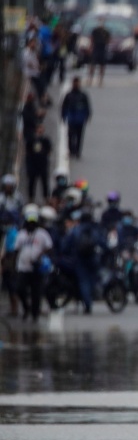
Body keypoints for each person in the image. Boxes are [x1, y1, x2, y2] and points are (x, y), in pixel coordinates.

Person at [13, 207, 53, 321]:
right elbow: (16, 250)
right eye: (29, 223)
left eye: (33, 223)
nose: (31, 225)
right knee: (19, 289)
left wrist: (40, 256)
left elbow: (49, 247)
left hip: (37, 268)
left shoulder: (42, 234)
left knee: (36, 293)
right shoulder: (21, 234)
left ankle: (35, 314)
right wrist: (13, 266)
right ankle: (26, 307)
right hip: (23, 267)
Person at [61, 209, 103, 314]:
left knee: (84, 282)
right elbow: (103, 243)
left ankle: (87, 304)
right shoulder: (94, 230)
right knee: (93, 280)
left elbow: (65, 245)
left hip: (80, 260)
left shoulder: (76, 230)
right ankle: (90, 298)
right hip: (93, 259)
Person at [1, 176, 23, 317]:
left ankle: (15, 306)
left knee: (11, 281)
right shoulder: (1, 199)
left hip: (11, 256)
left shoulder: (15, 233)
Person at [61, 77, 91, 159]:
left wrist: (87, 116)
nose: (76, 84)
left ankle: (77, 151)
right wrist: (63, 116)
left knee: (79, 136)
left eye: (77, 83)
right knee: (70, 135)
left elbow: (87, 106)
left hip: (80, 119)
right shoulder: (69, 95)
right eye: (75, 83)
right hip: (71, 119)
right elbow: (64, 106)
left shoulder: (83, 95)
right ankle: (71, 151)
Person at [25, 124, 52, 203]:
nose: (40, 131)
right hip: (33, 164)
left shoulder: (46, 140)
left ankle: (46, 197)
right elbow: (28, 152)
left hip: (42, 164)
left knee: (44, 182)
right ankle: (31, 198)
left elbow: (49, 151)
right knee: (32, 182)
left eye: (41, 129)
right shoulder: (31, 140)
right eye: (38, 129)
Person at [88, 17, 111, 87]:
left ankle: (100, 80)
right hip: (96, 48)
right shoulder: (95, 30)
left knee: (102, 65)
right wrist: (91, 47)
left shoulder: (106, 31)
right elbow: (91, 39)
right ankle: (90, 79)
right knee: (93, 64)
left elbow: (109, 40)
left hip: (103, 48)